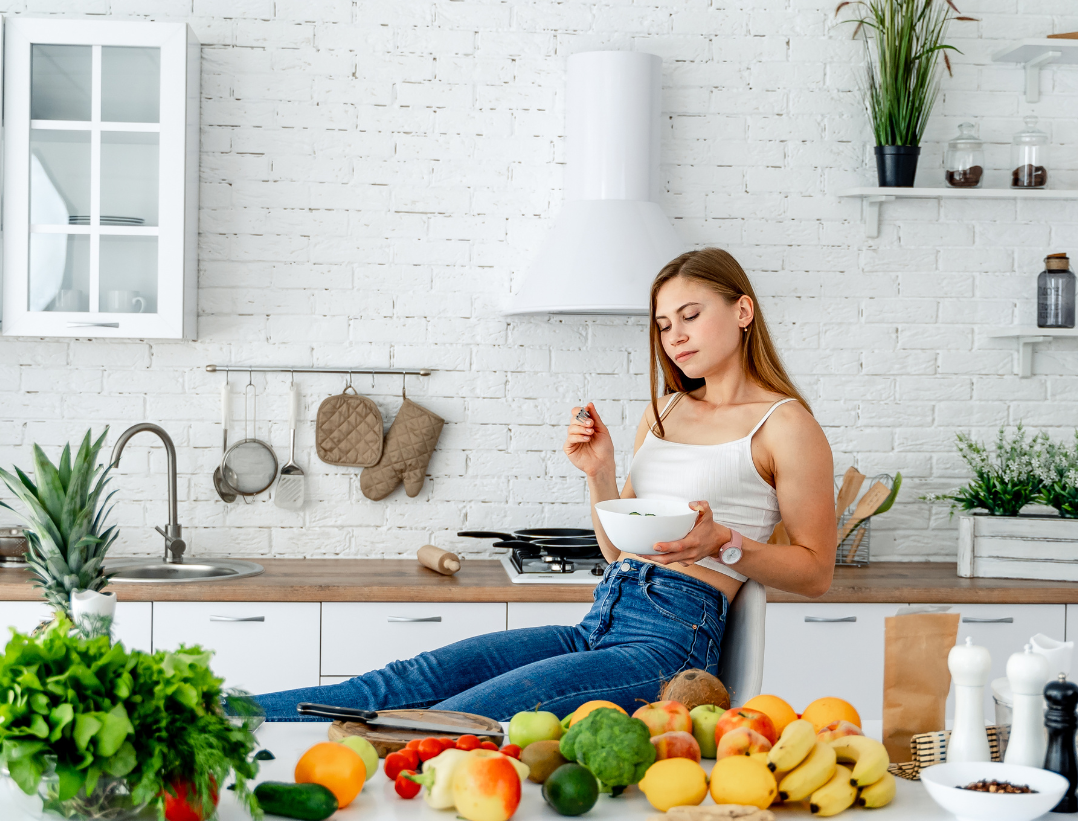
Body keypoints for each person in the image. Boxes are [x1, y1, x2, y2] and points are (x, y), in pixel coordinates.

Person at [253, 248, 835, 722]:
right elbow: (617, 551)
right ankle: (209, 718)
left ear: (742, 311)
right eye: (662, 324)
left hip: (671, 643)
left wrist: (722, 543)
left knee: (450, 719)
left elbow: (815, 572)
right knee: (405, 682)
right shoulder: (665, 412)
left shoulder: (786, 425)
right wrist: (599, 473)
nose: (674, 336)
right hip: (604, 616)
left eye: (690, 315)